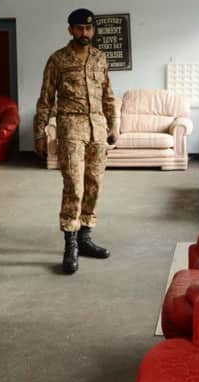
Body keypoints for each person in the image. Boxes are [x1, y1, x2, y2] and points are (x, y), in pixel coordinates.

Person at [33, 8, 118, 274]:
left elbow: (108, 95)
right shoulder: (57, 60)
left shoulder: (100, 58)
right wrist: (39, 132)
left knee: (94, 184)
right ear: (70, 29)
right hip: (71, 128)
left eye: (89, 29)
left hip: (98, 129)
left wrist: (113, 125)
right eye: (80, 28)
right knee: (74, 186)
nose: (85, 33)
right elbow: (46, 98)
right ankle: (70, 244)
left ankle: (85, 238)